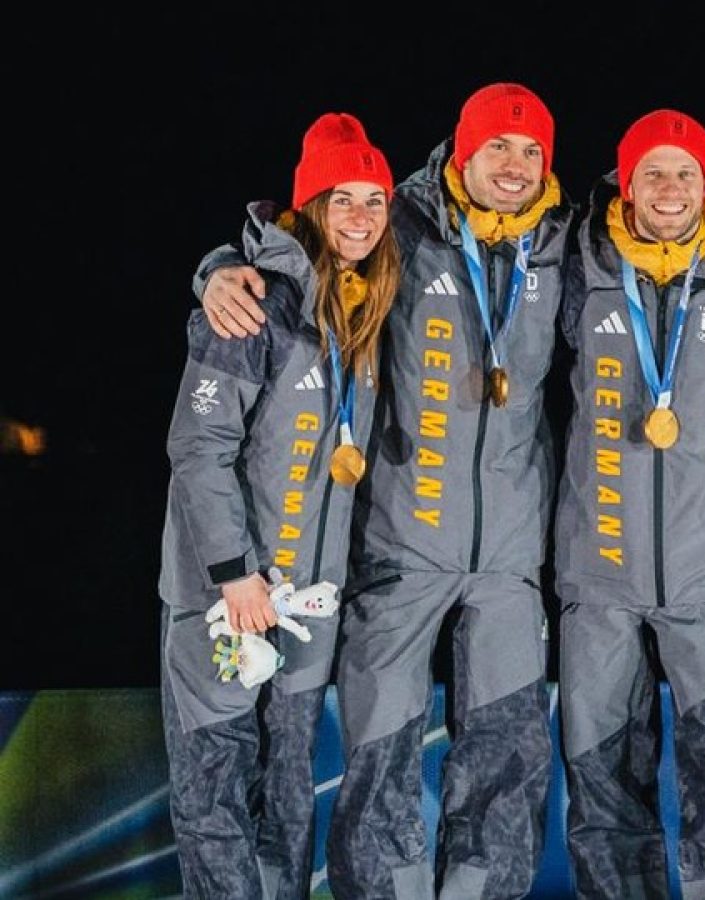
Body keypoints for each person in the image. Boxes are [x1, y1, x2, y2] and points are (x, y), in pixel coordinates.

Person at [196, 83, 572, 898]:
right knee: (380, 767)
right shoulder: (400, 219)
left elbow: (672, 243)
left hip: (509, 558)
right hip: (396, 550)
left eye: (531, 151)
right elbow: (303, 236)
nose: (514, 167)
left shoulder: (565, 242)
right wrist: (219, 269)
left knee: (507, 763)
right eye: (496, 148)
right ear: (461, 153)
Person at [161, 111, 398, 899]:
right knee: (217, 791)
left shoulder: (360, 308)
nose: (361, 217)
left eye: (375, 200)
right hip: (225, 600)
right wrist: (234, 575)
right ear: (309, 208)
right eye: (342, 199)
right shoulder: (250, 306)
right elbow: (199, 451)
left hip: (305, 604)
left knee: (289, 791)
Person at [554, 108, 705, 900]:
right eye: (653, 171)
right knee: (604, 794)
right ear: (625, 183)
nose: (670, 187)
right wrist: (221, 269)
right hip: (600, 576)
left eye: (686, 172)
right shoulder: (578, 263)